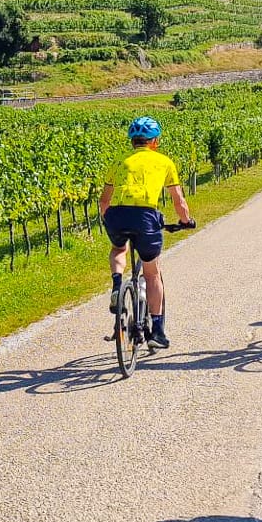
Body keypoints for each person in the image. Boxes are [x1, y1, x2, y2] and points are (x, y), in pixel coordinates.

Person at [99, 116, 194, 349]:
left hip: (117, 215)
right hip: (145, 218)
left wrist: (108, 220)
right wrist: (186, 221)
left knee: (119, 248)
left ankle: (117, 285)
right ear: (155, 141)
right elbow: (178, 200)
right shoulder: (164, 162)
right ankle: (157, 333)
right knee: (152, 274)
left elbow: (104, 201)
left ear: (132, 141)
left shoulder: (119, 161)